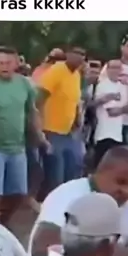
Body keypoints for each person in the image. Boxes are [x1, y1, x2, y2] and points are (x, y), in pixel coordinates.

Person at [28, 147, 128, 256]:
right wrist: (107, 248)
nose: (126, 191)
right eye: (120, 182)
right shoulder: (71, 195)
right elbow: (41, 245)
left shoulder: (125, 207)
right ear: (100, 173)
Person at [0, 47, 44, 226]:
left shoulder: (24, 84)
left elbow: (31, 111)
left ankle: (3, 222)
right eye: (1, 63)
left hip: (18, 146)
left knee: (19, 192)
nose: (4, 66)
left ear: (16, 63)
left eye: (8, 63)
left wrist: (39, 134)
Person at [37, 46, 86, 191]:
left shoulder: (76, 75)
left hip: (69, 131)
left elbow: (74, 100)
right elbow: (40, 97)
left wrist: (77, 117)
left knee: (73, 169)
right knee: (55, 174)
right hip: (51, 129)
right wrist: (39, 123)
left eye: (82, 56)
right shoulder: (57, 70)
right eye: (76, 54)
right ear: (68, 55)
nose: (79, 58)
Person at [92, 60, 128, 166]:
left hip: (117, 135)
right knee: (101, 166)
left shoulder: (122, 86)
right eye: (113, 67)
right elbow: (112, 112)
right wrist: (120, 106)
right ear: (108, 69)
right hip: (104, 135)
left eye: (118, 68)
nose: (115, 70)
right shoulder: (103, 85)